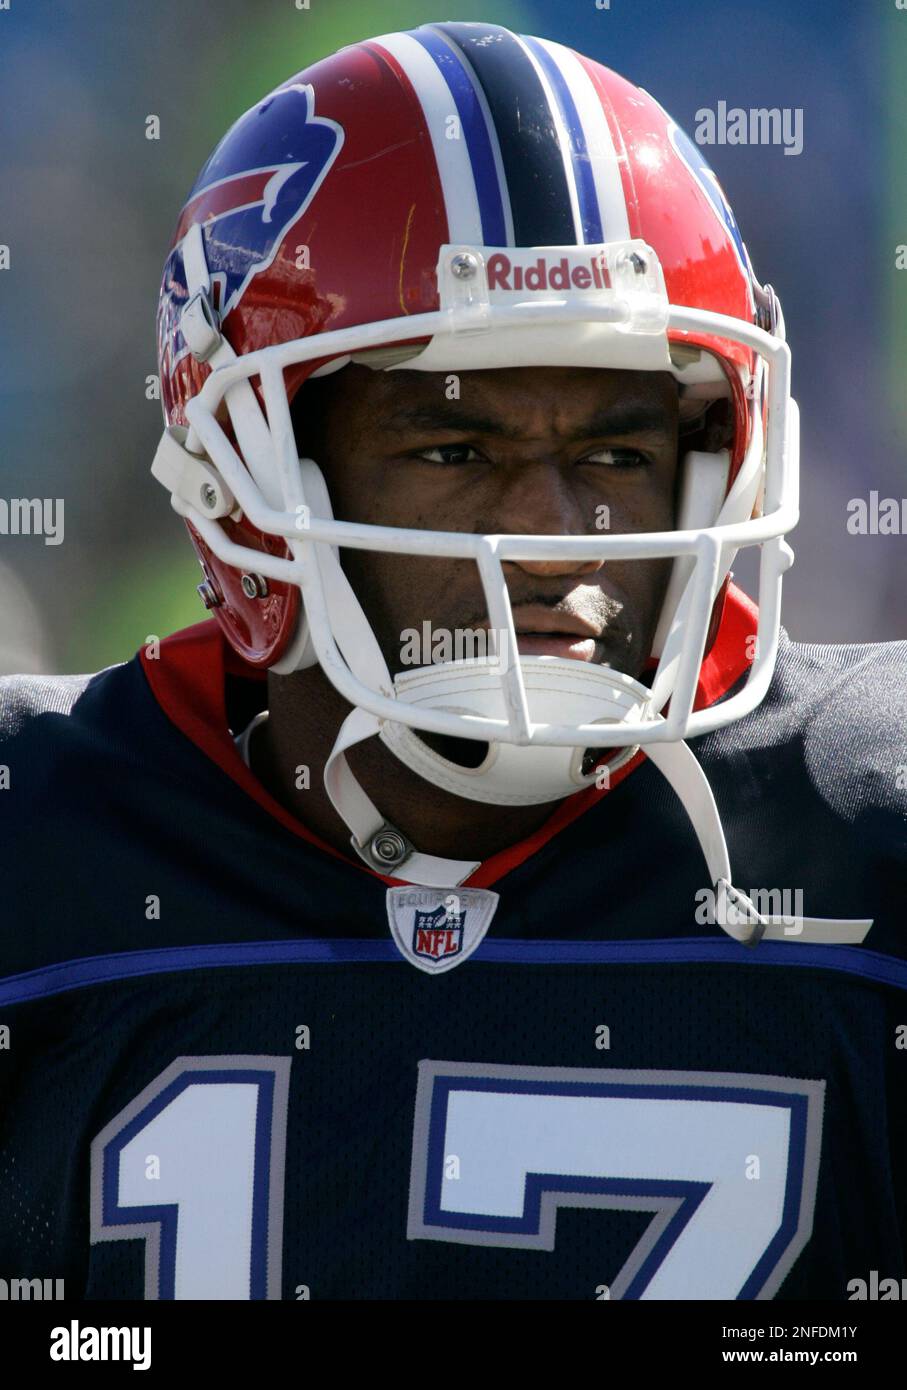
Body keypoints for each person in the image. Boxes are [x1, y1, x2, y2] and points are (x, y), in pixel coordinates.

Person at [1, 21, 904, 1301]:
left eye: (616, 454)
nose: (553, 542)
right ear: (248, 481)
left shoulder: (863, 823)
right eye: (451, 451)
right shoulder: (42, 855)